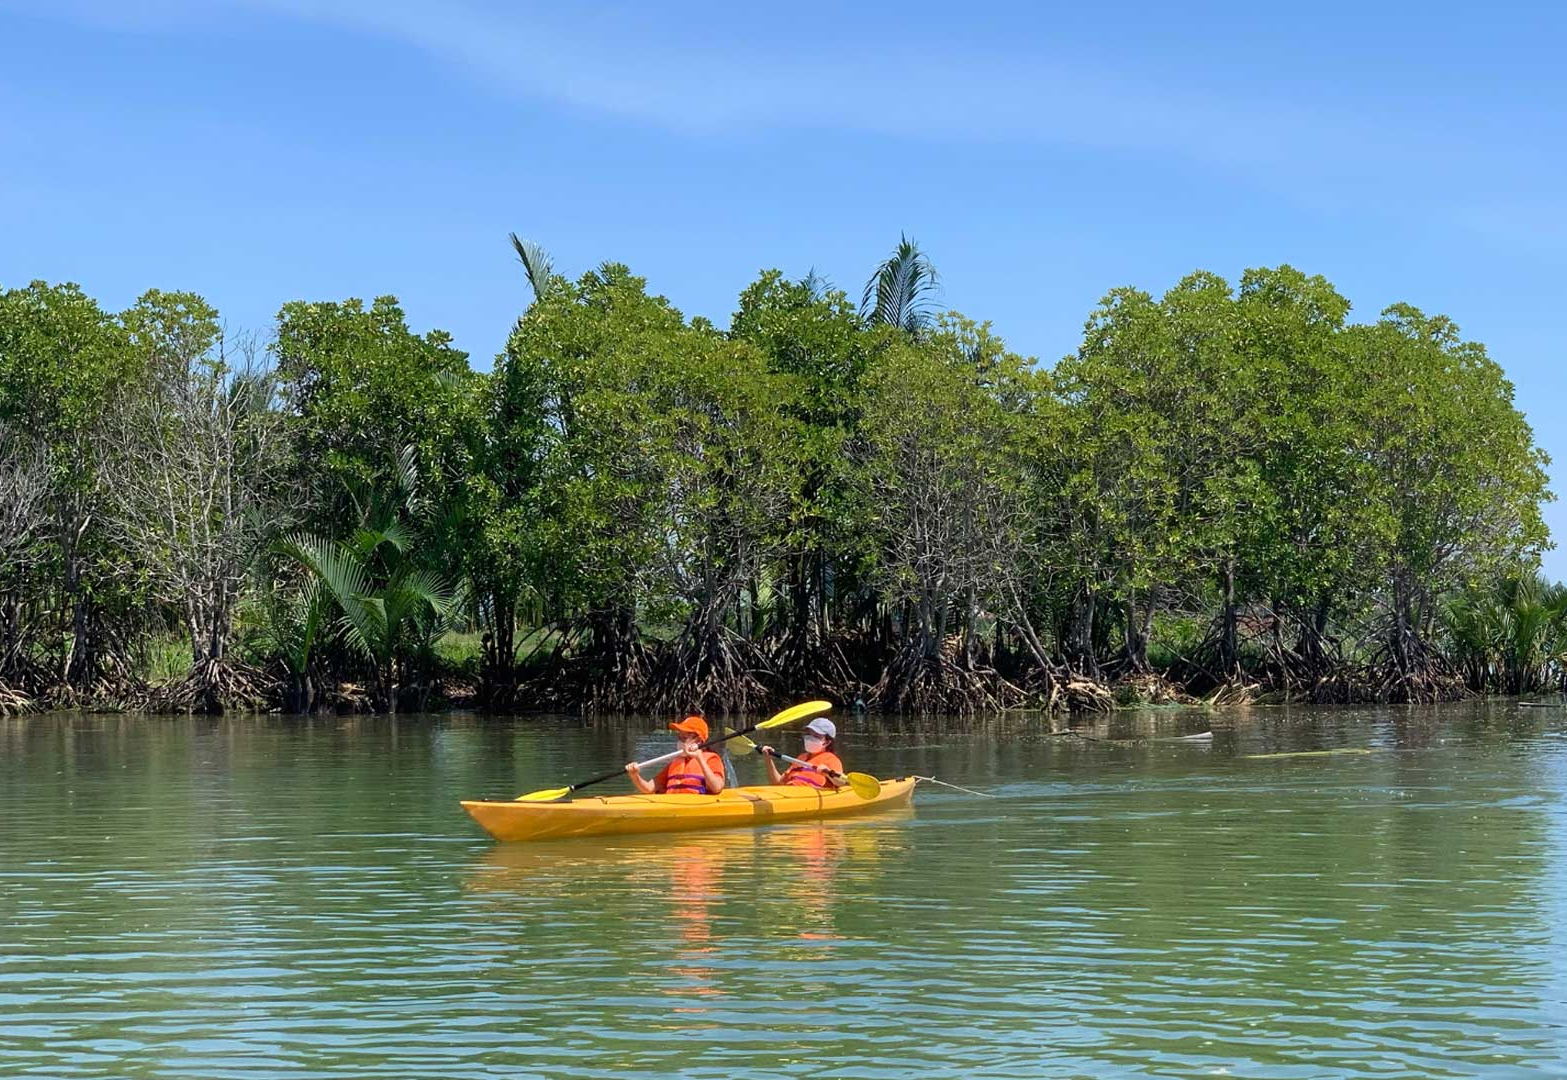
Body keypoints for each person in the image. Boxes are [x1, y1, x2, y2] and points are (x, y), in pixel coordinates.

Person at [625, 715, 727, 795]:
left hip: (696, 807)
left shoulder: (711, 760)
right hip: (673, 805)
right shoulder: (675, 763)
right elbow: (648, 788)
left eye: (684, 738)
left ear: (698, 741)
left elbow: (717, 788)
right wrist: (635, 776)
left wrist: (700, 759)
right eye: (679, 737)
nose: (680, 741)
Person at [761, 717, 847, 790]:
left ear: (827, 742)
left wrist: (828, 773)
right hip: (788, 793)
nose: (810, 738)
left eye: (816, 736)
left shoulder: (831, 760)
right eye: (809, 734)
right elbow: (778, 783)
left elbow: (841, 782)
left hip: (806, 797)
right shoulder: (801, 758)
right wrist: (768, 759)